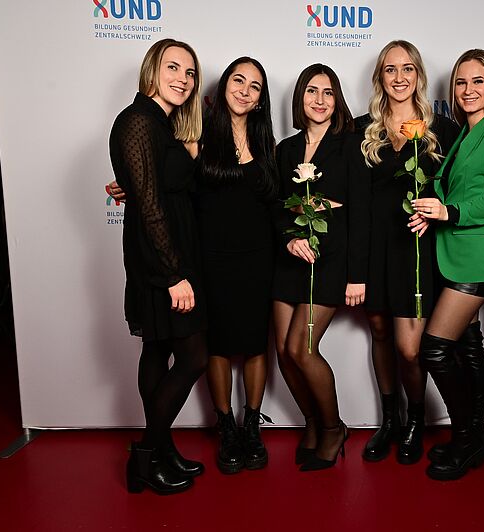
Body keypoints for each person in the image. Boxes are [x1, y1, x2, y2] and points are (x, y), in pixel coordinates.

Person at [412, 49, 484, 480]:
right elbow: (454, 190)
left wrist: (450, 212)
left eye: (477, 81)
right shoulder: (461, 133)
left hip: (476, 258)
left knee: (434, 349)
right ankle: (476, 438)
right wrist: (433, 212)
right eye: (461, 82)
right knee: (468, 346)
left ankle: (465, 437)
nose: (468, 90)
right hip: (451, 253)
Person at [109, 38, 208, 495]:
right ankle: (146, 454)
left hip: (173, 252)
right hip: (161, 261)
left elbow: (152, 187)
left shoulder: (161, 125)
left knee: (158, 350)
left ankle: (161, 451)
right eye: (173, 68)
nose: (182, 79)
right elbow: (149, 207)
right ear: (152, 69)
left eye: (190, 73)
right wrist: (173, 275)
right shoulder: (137, 121)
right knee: (192, 357)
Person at [356, 40, 460, 465]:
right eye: (390, 69)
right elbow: (352, 195)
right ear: (380, 77)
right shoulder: (363, 129)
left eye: (407, 69)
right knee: (380, 332)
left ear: (418, 74)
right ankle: (390, 420)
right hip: (373, 250)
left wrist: (437, 213)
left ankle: (416, 420)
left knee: (409, 349)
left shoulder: (444, 130)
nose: (399, 78)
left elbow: (459, 192)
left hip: (416, 253)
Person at [272, 63, 370, 471]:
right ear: (300, 97)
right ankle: (312, 423)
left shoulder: (350, 144)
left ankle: (333, 428)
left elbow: (359, 210)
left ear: (337, 100)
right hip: (290, 257)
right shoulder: (285, 150)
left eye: (328, 92)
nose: (320, 99)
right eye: (312, 91)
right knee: (283, 351)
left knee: (303, 348)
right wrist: (289, 236)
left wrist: (357, 275)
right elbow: (278, 206)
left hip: (331, 260)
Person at [197, 57, 277, 475]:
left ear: (261, 99)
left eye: (255, 86)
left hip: (259, 260)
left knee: (254, 344)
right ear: (224, 85)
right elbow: (173, 187)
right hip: (212, 260)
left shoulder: (266, 144)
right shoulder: (198, 138)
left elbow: (275, 205)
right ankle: (225, 426)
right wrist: (131, 188)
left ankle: (251, 425)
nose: (245, 90)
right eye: (238, 80)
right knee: (218, 345)